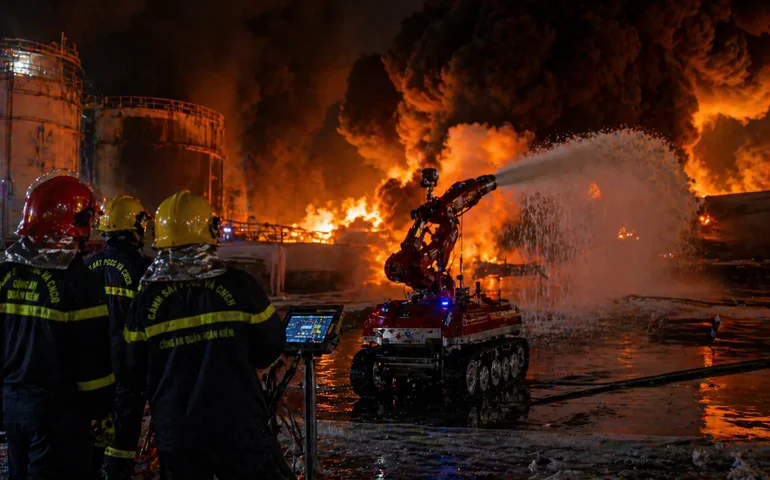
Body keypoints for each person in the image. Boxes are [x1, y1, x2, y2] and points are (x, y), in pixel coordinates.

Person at [103, 190, 290, 480]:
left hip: (177, 434)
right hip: (239, 427)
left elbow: (132, 372)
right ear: (212, 231)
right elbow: (270, 347)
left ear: (161, 237)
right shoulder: (241, 286)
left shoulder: (146, 300)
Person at [0, 170, 114, 479]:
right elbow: (93, 361)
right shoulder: (80, 282)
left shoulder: (5, 272)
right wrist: (103, 410)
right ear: (76, 221)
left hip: (11, 405)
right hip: (59, 412)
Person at [84, 195, 153, 478]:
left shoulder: (86, 266)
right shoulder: (144, 269)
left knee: (92, 430)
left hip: (90, 368)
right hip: (128, 365)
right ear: (134, 228)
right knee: (122, 437)